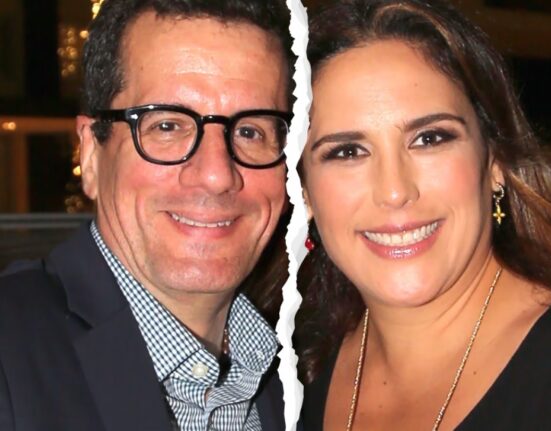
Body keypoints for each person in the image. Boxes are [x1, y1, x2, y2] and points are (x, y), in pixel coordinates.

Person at [0, 0, 293, 430]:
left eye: (250, 131)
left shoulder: (306, 381)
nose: (216, 175)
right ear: (91, 155)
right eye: (167, 125)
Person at [296, 0, 551, 430]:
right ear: (305, 193)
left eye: (429, 139)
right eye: (348, 152)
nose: (395, 191)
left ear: (495, 161)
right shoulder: (285, 373)